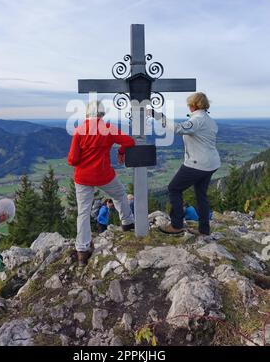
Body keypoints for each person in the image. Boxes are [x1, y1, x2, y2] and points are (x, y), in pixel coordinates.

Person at [68, 100, 135, 266]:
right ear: (102, 114)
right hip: (104, 174)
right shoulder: (109, 129)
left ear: (87, 114)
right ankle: (127, 223)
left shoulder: (79, 131)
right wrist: (120, 152)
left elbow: (73, 159)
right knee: (120, 195)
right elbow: (129, 141)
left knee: (83, 212)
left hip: (83, 177)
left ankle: (82, 251)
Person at [150, 92, 220, 236]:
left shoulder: (197, 120)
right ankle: (204, 229)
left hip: (197, 163)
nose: (188, 106)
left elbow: (177, 129)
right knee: (201, 195)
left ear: (193, 105)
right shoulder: (209, 120)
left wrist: (156, 115)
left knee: (174, 188)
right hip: (211, 163)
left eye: (189, 104)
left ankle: (176, 225)